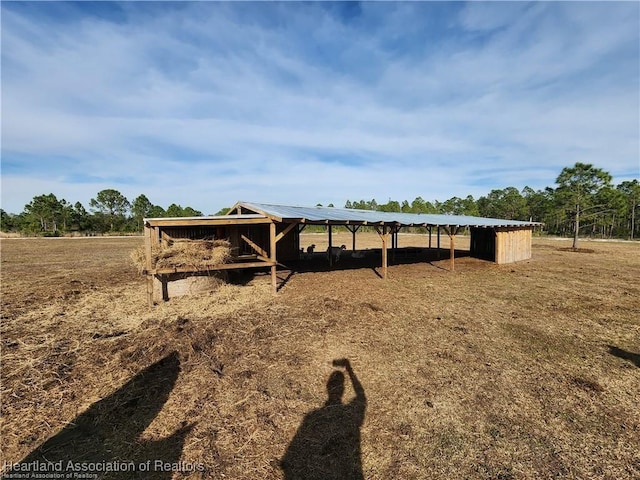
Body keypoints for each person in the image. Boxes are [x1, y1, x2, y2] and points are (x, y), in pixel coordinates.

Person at [281, 358, 366, 480]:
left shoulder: (312, 416)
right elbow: (361, 396)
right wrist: (349, 368)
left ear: (327, 387)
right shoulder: (316, 416)